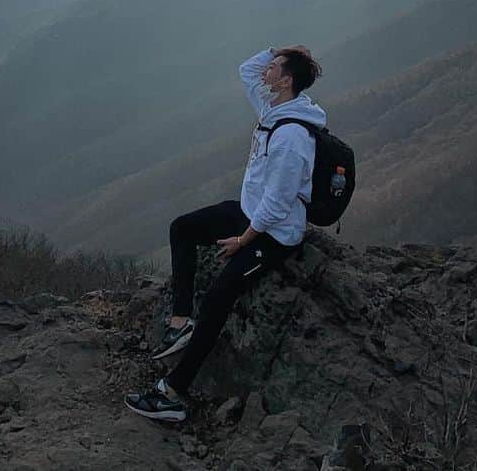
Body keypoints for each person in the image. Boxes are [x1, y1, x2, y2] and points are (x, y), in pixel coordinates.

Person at [124, 44, 326, 423]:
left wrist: (244, 240)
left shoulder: (291, 136)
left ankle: (172, 393)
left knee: (220, 296)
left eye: (275, 68)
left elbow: (279, 203)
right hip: (248, 213)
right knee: (182, 228)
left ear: (285, 81)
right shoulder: (274, 111)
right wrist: (280, 50)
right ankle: (179, 324)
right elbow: (246, 70)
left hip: (273, 235)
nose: (265, 71)